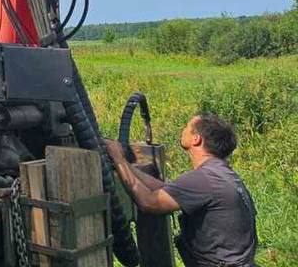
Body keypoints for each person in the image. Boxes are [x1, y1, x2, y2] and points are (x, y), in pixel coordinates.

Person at [104, 113, 257, 267]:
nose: (183, 130)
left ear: (196, 139)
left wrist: (119, 159)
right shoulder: (220, 174)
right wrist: (126, 167)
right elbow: (164, 189)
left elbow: (149, 202)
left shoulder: (204, 179)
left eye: (187, 127)